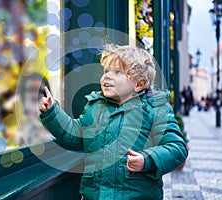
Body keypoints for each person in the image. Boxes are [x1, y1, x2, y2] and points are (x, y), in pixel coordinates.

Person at [38, 44, 188, 199]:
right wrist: (52, 112)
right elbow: (74, 135)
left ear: (139, 84)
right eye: (106, 71)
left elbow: (177, 148)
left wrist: (147, 160)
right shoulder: (95, 107)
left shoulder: (156, 109)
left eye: (117, 72)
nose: (107, 76)